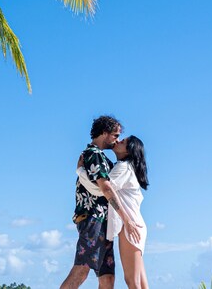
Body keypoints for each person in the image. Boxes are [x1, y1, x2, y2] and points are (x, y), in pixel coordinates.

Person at [60, 115, 128, 289]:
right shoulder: (93, 154)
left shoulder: (104, 159)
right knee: (81, 271)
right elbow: (105, 189)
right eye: (115, 135)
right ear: (104, 133)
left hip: (104, 223)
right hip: (93, 219)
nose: (117, 140)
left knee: (107, 279)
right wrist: (125, 217)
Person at [76, 136, 150, 289]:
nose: (118, 141)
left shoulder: (124, 167)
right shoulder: (126, 167)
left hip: (131, 225)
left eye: (123, 141)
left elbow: (102, 189)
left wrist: (81, 171)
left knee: (132, 281)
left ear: (129, 151)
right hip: (135, 224)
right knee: (141, 282)